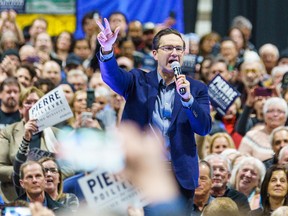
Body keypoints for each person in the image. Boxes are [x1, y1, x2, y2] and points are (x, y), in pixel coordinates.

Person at [96, 18, 211, 200]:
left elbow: (203, 127)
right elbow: (111, 77)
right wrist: (107, 50)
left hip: (180, 176)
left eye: (178, 49)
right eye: (168, 48)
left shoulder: (196, 89)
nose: (174, 53)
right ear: (155, 54)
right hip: (141, 172)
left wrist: (188, 100)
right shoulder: (137, 81)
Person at [0, 87, 73, 202]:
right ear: (20, 108)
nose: (33, 106)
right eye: (28, 103)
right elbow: (0, 168)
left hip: (50, 200)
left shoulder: (57, 134)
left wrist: (49, 177)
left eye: (37, 102)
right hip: (14, 199)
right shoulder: (7, 132)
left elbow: (71, 166)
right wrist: (27, 174)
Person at [239, 97, 288, 161]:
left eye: (280, 111)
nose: (275, 114)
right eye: (271, 111)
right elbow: (240, 161)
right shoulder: (251, 136)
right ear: (264, 115)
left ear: (286, 116)